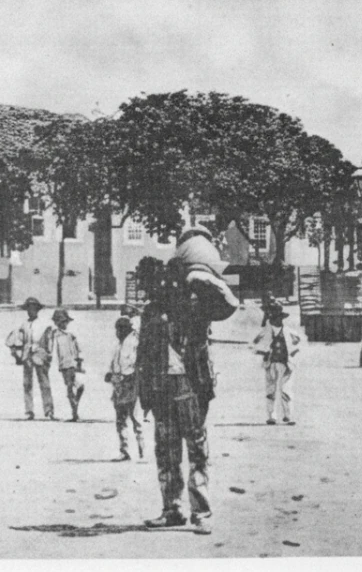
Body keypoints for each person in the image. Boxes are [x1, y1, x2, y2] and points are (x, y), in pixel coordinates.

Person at [137, 228, 239, 535]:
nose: (156, 288)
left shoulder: (197, 307)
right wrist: (143, 393)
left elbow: (230, 302)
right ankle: (172, 510)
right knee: (165, 449)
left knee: (196, 448)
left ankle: (201, 514)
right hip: (161, 387)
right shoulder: (152, 312)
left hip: (190, 385)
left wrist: (200, 276)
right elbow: (144, 354)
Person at [5, 297, 55, 420]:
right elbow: (17, 339)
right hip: (27, 355)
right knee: (27, 384)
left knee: (44, 383)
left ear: (37, 309)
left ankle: (49, 410)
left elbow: (49, 341)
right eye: (28, 308)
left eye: (32, 308)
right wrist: (17, 353)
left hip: (39, 354)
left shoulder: (44, 324)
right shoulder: (24, 325)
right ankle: (29, 411)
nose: (30, 311)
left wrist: (47, 354)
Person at [252, 302, 300, 424]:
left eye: (280, 317)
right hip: (271, 363)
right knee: (270, 391)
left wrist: (293, 353)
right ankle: (271, 416)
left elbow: (299, 344)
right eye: (275, 316)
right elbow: (253, 344)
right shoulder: (265, 332)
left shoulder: (289, 331)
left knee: (286, 390)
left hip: (286, 363)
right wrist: (263, 352)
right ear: (271, 317)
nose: (278, 319)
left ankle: (288, 416)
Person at [106, 316, 143, 460]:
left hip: (131, 384)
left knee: (135, 418)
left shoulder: (134, 344)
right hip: (119, 386)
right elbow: (113, 364)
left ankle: (142, 451)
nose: (118, 332)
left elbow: (136, 365)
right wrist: (110, 374)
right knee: (120, 419)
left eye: (121, 329)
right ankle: (124, 450)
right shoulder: (118, 346)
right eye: (117, 329)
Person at [51, 308, 84, 422]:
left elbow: (77, 350)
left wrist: (79, 362)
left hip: (71, 364)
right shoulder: (55, 335)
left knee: (77, 387)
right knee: (70, 386)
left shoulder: (70, 335)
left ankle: (75, 409)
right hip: (63, 365)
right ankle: (74, 411)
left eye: (65, 322)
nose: (64, 324)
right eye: (61, 322)